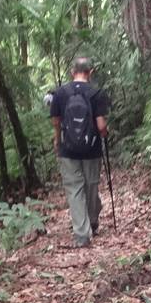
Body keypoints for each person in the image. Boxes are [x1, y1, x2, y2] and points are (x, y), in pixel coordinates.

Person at [50, 57, 110, 247]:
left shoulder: (60, 93)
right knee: (91, 185)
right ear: (90, 72)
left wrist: (57, 139)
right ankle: (92, 221)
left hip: (68, 149)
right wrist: (105, 133)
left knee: (74, 189)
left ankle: (82, 234)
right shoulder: (96, 93)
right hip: (91, 149)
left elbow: (56, 122)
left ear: (71, 72)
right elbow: (101, 126)